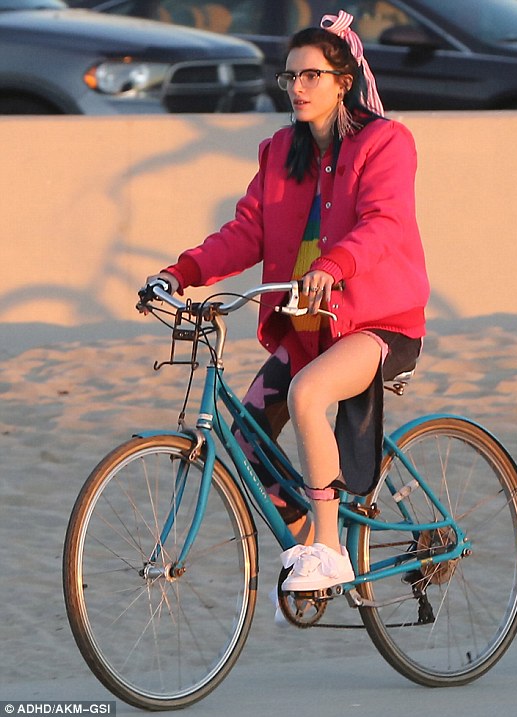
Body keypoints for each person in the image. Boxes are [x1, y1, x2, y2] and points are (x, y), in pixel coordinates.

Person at [144, 9, 430, 594]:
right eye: (290, 77)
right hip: (308, 327)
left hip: (380, 324)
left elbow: (385, 224)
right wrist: (183, 272)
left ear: (343, 81)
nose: (297, 88)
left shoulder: (386, 142)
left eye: (311, 76)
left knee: (308, 392)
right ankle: (308, 552)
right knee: (248, 443)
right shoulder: (281, 152)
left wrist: (332, 265)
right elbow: (247, 230)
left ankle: (329, 546)